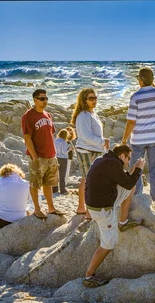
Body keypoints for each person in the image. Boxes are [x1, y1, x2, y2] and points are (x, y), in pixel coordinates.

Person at [83, 144, 145, 288]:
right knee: (109, 243)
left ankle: (123, 221)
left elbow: (125, 182)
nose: (128, 162)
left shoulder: (104, 160)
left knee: (131, 188)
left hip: (96, 202)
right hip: (102, 209)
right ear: (122, 156)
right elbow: (128, 183)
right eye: (128, 159)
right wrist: (140, 169)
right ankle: (88, 276)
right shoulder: (113, 165)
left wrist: (133, 169)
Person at [121, 66, 155, 201]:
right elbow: (154, 86)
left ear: (140, 80)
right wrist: (150, 82)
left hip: (138, 139)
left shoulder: (135, 97)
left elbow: (131, 122)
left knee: (136, 169)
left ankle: (138, 197)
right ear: (152, 80)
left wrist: (124, 140)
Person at [22, 88, 65, 219]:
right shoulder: (28, 116)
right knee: (35, 183)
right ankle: (37, 209)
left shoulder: (48, 115)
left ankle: (51, 208)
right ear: (35, 100)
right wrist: (35, 157)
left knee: (49, 183)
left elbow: (50, 135)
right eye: (42, 99)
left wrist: (54, 153)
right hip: (38, 156)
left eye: (46, 98)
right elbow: (27, 138)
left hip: (51, 155)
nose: (45, 101)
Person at [73, 88, 110, 218]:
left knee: (88, 179)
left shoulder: (93, 114)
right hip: (87, 151)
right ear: (84, 100)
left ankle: (83, 208)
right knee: (88, 180)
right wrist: (102, 141)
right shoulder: (83, 115)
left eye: (95, 98)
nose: (94, 100)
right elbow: (86, 136)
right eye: (91, 98)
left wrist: (102, 145)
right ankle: (86, 211)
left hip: (95, 150)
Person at [52, 127, 77, 194]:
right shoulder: (64, 142)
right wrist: (69, 149)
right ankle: (62, 190)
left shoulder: (55, 140)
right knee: (62, 175)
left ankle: (54, 189)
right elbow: (64, 152)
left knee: (55, 174)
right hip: (63, 159)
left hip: (55, 158)